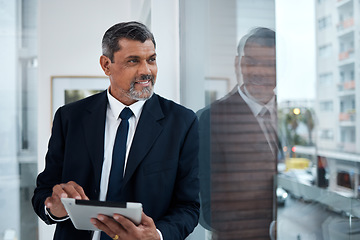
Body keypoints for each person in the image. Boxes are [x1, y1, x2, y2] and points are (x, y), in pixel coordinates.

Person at [32, 21, 200, 240]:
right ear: (106, 65)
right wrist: (54, 207)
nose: (146, 71)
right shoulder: (70, 117)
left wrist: (157, 235)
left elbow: (189, 206)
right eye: (133, 61)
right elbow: (43, 192)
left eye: (151, 60)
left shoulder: (182, 122)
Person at [198, 27, 278, 239]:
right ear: (239, 64)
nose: (259, 72)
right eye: (251, 62)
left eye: (270, 64)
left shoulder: (288, 115)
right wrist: (273, 229)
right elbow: (208, 211)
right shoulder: (210, 119)